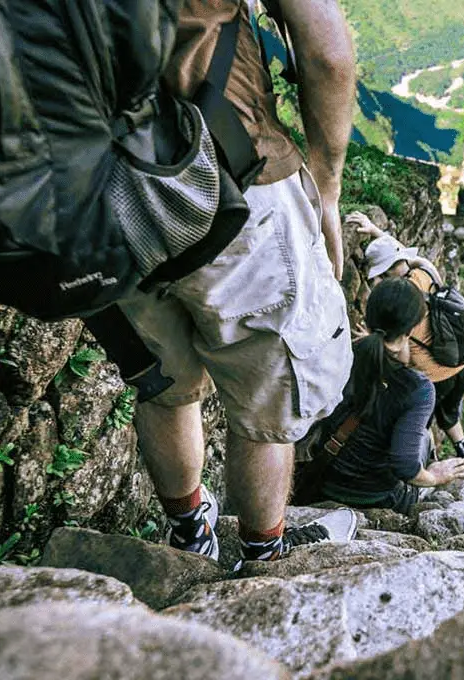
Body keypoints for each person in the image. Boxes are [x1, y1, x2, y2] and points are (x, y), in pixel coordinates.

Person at [117, 0, 359, 563]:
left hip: (109, 195)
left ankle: (189, 532)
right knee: (268, 394)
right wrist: (325, 181)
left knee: (165, 378)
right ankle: (261, 552)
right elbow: (326, 53)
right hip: (231, 175)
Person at [308, 278, 464, 514]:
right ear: (411, 330)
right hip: (375, 497)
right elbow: (406, 468)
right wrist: (436, 476)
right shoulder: (419, 389)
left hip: (321, 479)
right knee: (423, 440)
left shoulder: (342, 353)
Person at [347, 211, 464, 459]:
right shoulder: (426, 271)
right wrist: (376, 232)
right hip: (460, 364)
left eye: (382, 275)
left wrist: (371, 340)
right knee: (449, 414)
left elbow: (403, 355)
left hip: (434, 374)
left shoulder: (401, 303)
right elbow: (401, 255)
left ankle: (424, 462)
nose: (379, 281)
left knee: (416, 422)